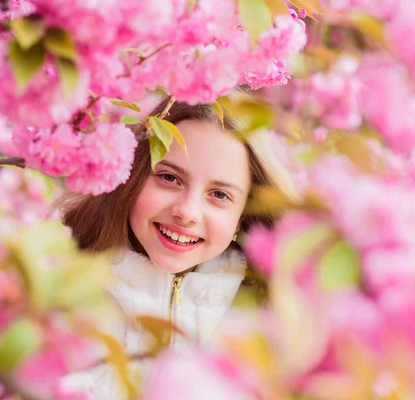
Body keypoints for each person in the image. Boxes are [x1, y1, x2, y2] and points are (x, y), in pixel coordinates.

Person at [56, 97, 297, 399]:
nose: (187, 212)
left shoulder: (270, 319)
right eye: (169, 178)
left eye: (219, 195)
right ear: (133, 176)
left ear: (243, 216)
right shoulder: (58, 282)